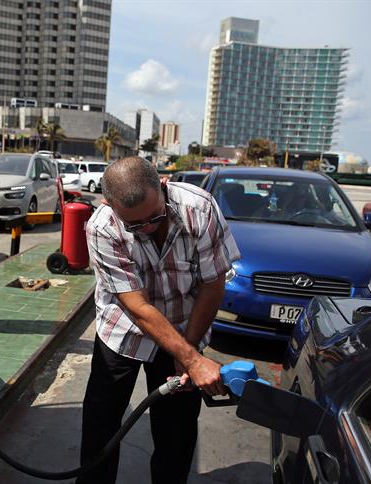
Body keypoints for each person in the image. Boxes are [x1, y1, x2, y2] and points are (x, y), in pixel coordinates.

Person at [78, 157, 240, 484]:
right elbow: (137, 307)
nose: (148, 228)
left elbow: (213, 284)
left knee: (176, 432)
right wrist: (193, 360)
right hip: (123, 332)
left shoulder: (201, 209)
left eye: (156, 216)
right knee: (102, 425)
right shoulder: (101, 227)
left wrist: (188, 354)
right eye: (135, 225)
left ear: (163, 186)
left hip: (185, 326)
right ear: (110, 205)